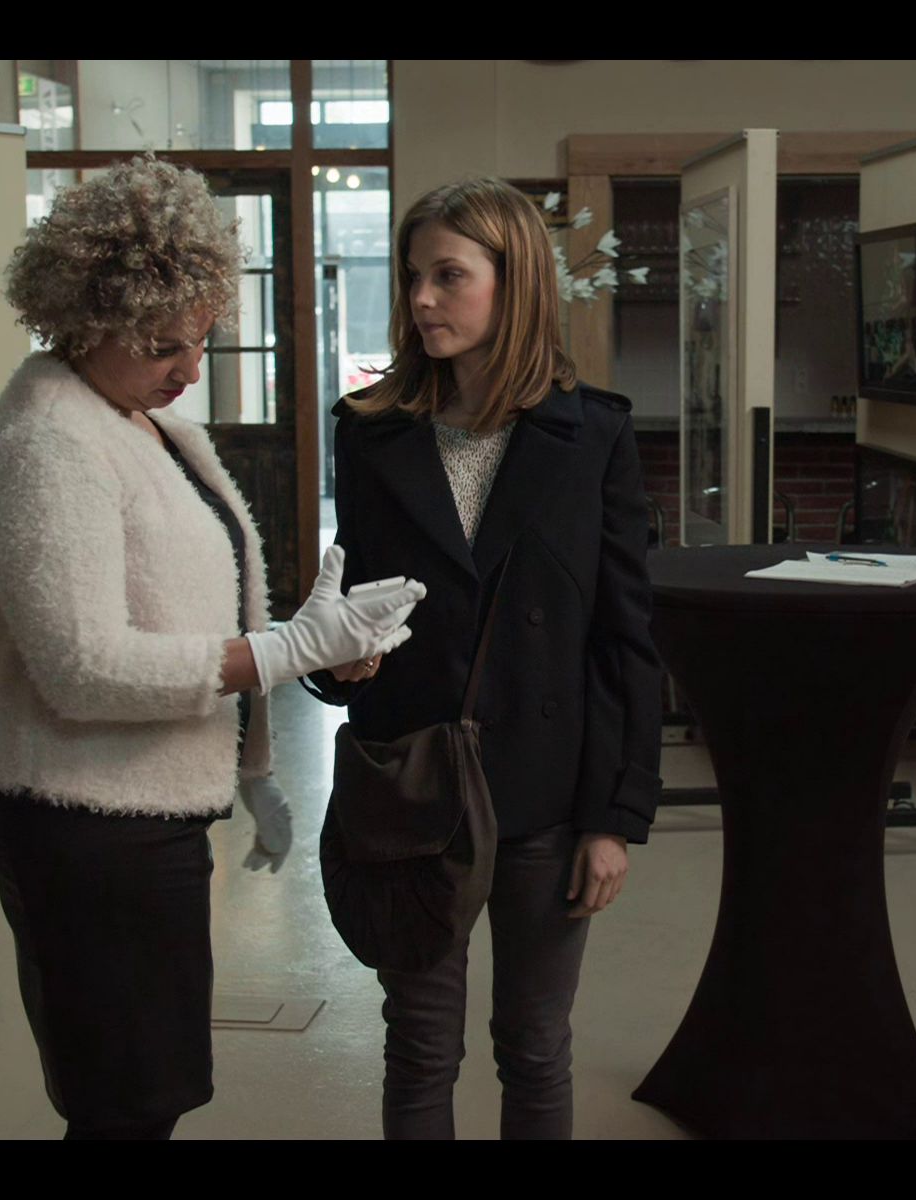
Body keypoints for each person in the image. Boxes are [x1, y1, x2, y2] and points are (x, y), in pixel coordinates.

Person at [0, 155, 424, 1140]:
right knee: (126, 1102)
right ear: (85, 320)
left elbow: (194, 597)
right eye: (164, 343)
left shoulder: (142, 418)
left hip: (148, 813)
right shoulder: (47, 443)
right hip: (83, 821)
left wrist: (259, 753)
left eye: (202, 337)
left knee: (152, 1093)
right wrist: (285, 653)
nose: (191, 368)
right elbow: (84, 669)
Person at [306, 177, 663, 1139]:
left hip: (548, 793)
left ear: (516, 282)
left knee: (535, 1046)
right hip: (414, 783)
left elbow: (625, 638)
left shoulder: (592, 435)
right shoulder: (371, 430)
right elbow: (348, 602)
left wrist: (615, 818)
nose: (421, 299)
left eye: (448, 276)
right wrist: (336, 661)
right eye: (412, 276)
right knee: (420, 1046)